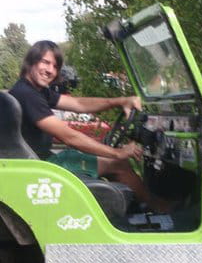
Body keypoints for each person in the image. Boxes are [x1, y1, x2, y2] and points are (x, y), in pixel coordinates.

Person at [9, 40, 158, 210]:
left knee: (109, 159)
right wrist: (118, 153)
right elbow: (70, 137)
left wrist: (119, 101)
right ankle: (158, 209)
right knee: (119, 164)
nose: (50, 70)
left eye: (55, 66)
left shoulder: (36, 90)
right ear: (31, 61)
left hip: (40, 161)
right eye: (45, 62)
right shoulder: (27, 94)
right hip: (40, 167)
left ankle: (132, 211)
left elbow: (78, 103)